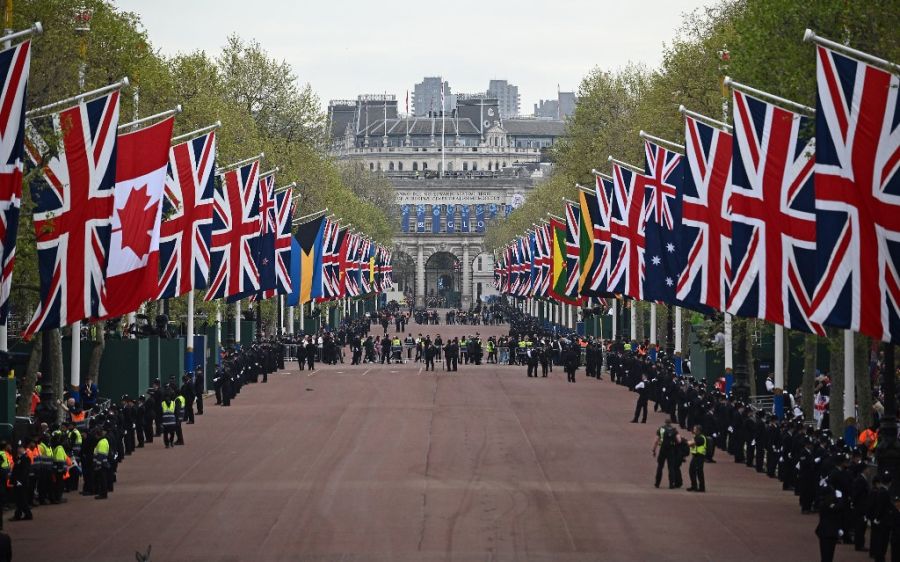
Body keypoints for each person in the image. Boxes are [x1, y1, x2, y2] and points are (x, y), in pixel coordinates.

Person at [10, 443, 31, 520]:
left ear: (24, 449)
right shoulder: (19, 458)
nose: (19, 449)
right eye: (19, 448)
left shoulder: (25, 458)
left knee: (21, 499)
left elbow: (24, 472)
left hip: (21, 482)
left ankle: (25, 514)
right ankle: (20, 514)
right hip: (18, 481)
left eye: (21, 448)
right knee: (19, 499)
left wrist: (19, 481)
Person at [686, 424, 707, 493]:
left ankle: (702, 487)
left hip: (700, 456)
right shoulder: (696, 436)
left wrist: (685, 442)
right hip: (695, 456)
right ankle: (694, 486)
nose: (693, 430)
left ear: (698, 430)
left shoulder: (700, 437)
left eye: (694, 429)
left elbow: (692, 443)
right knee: (691, 470)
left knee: (699, 472)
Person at [93, 428, 110, 500]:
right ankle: (103, 493)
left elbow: (101, 455)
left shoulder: (101, 442)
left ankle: (103, 494)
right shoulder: (103, 441)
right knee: (102, 479)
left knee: (102, 479)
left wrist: (98, 465)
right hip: (103, 463)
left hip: (102, 464)